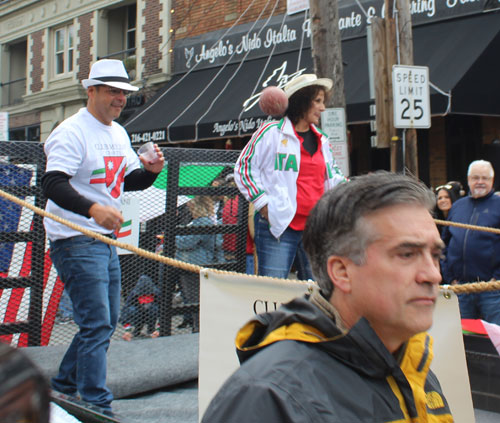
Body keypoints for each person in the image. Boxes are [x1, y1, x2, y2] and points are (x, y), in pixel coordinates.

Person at [202, 171, 453, 423]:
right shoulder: (268, 397)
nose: (432, 275)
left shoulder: (415, 367)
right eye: (407, 254)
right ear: (342, 271)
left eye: (435, 256)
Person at [42, 59, 164, 413]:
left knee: (103, 321)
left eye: (124, 92)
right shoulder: (71, 131)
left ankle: (65, 386)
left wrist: (152, 172)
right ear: (90, 90)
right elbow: (52, 182)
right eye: (113, 91)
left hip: (103, 239)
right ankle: (96, 403)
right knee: (98, 323)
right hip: (75, 236)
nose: (120, 99)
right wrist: (94, 210)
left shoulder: (117, 133)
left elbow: (128, 180)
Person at [234, 74, 347, 279]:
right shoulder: (270, 133)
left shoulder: (323, 141)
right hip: (277, 227)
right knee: (273, 293)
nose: (323, 108)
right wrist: (264, 204)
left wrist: (358, 191)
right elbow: (244, 168)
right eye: (318, 101)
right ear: (302, 101)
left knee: (318, 291)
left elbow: (335, 179)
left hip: (314, 229)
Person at [441, 160, 500, 324]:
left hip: (493, 290)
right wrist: (449, 276)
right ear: (468, 180)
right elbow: (442, 244)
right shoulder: (458, 207)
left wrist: (497, 278)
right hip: (460, 288)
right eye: (475, 177)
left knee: (496, 341)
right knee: (463, 340)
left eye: (484, 178)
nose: (480, 182)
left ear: (492, 180)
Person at [175, 195, 222, 332]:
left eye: (190, 205)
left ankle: (199, 328)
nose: (188, 207)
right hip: (197, 263)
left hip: (195, 264)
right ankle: (198, 326)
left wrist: (172, 237)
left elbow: (188, 242)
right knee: (193, 298)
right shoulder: (204, 221)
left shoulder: (202, 222)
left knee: (195, 298)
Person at [119, 274, 160, 341]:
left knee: (154, 309)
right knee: (132, 310)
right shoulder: (133, 294)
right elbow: (124, 313)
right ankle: (137, 330)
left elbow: (164, 312)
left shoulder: (156, 293)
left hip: (151, 313)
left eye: (148, 296)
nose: (145, 300)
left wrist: (158, 329)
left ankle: (151, 330)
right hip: (137, 313)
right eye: (143, 297)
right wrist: (127, 331)